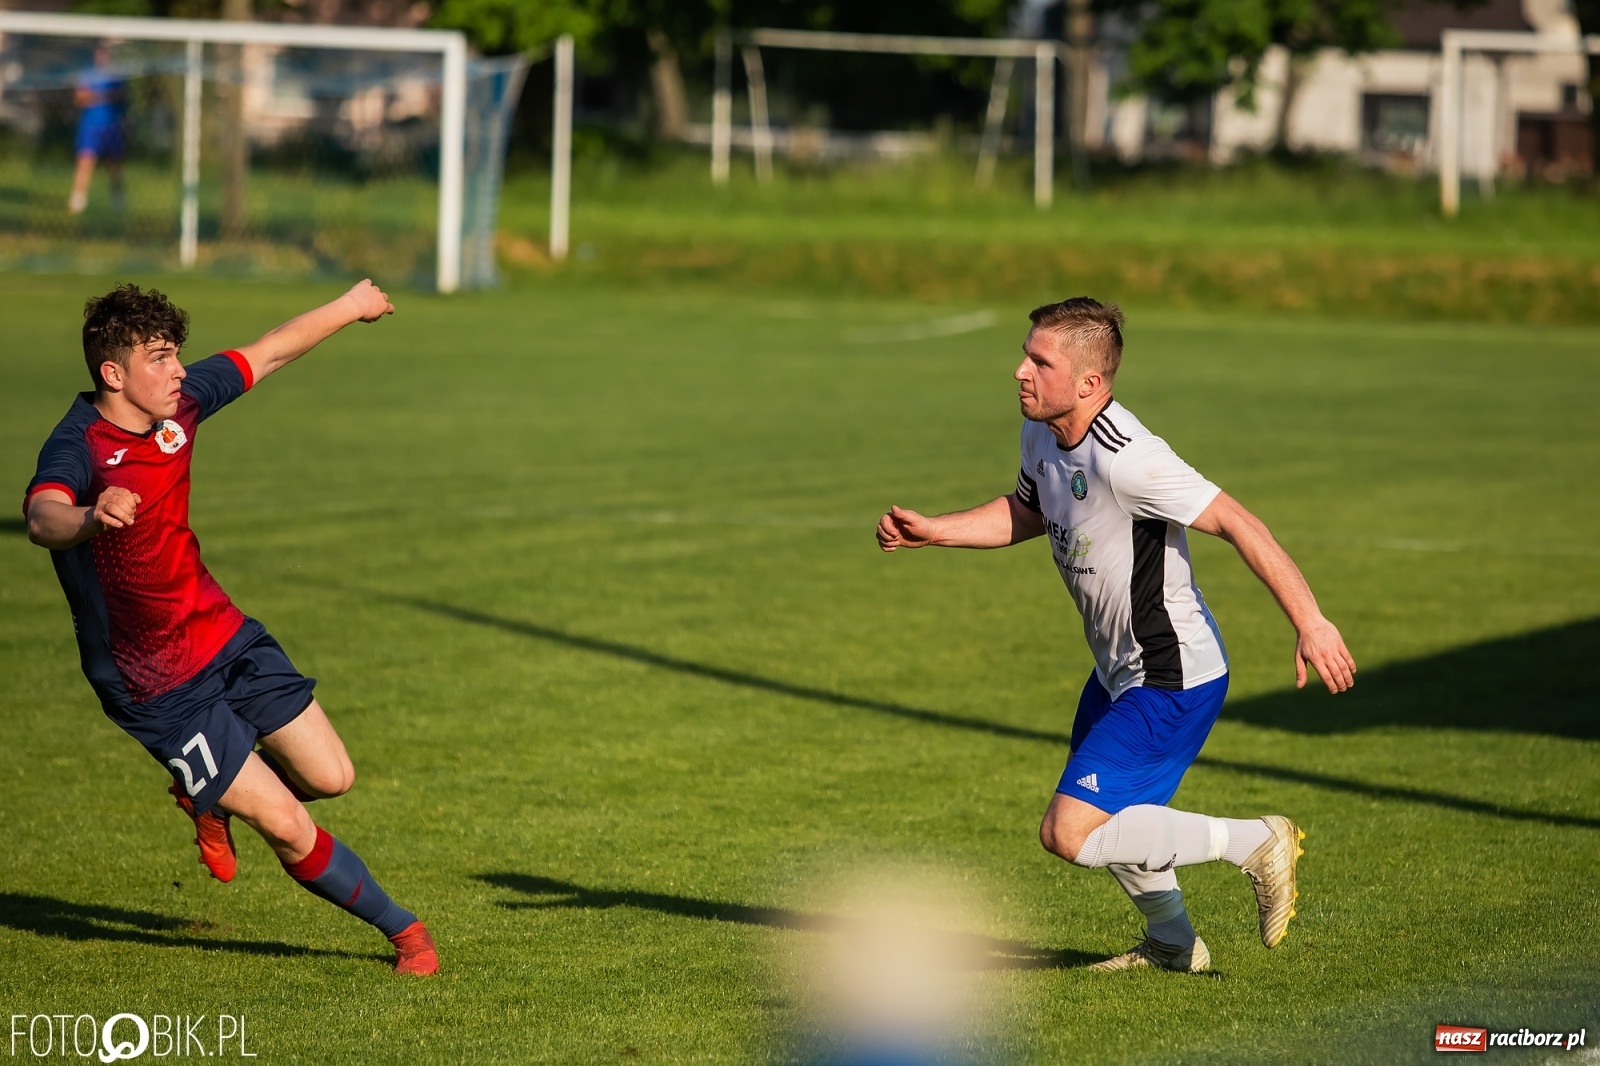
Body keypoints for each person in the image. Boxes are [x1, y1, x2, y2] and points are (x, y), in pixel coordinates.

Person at [876, 297, 1357, 972]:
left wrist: (1311, 622)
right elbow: (1027, 509)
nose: (1019, 369)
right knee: (1118, 820)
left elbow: (1243, 524)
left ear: (1089, 384)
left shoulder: (1133, 459)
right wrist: (938, 531)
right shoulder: (1042, 432)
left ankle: (1256, 840)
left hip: (1172, 676)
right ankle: (1171, 945)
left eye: (1039, 361)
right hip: (1117, 671)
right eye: (1025, 353)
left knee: (1071, 831)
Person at [24, 280, 438, 976]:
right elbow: (42, 516)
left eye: (177, 354)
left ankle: (205, 791)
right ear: (113, 373)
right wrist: (92, 516)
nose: (178, 369)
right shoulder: (79, 445)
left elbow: (270, 352)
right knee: (284, 823)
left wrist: (350, 305)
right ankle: (407, 934)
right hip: (152, 682)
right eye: (161, 357)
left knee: (332, 776)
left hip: (221, 634)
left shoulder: (179, 406)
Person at [69, 43, 127, 216]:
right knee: (85, 161)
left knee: (115, 164)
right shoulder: (88, 73)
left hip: (112, 125)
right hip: (90, 125)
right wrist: (102, 96)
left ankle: (118, 200)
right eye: (100, 54)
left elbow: (120, 95)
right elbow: (80, 97)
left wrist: (95, 96)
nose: (102, 57)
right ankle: (78, 200)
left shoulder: (116, 74)